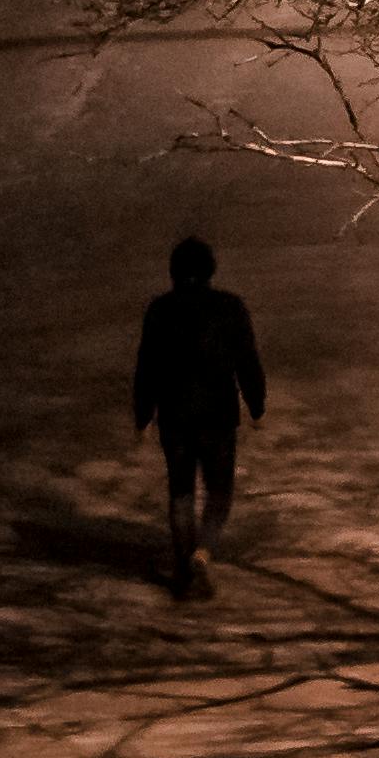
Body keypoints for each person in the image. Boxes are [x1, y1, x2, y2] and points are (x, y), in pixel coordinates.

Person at [131, 235, 264, 598]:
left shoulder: (159, 311)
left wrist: (143, 415)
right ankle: (204, 551)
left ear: (174, 271)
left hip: (174, 418)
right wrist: (257, 406)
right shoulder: (231, 308)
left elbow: (147, 368)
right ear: (210, 270)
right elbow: (247, 362)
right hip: (218, 417)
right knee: (219, 491)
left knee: (181, 492)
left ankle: (184, 568)